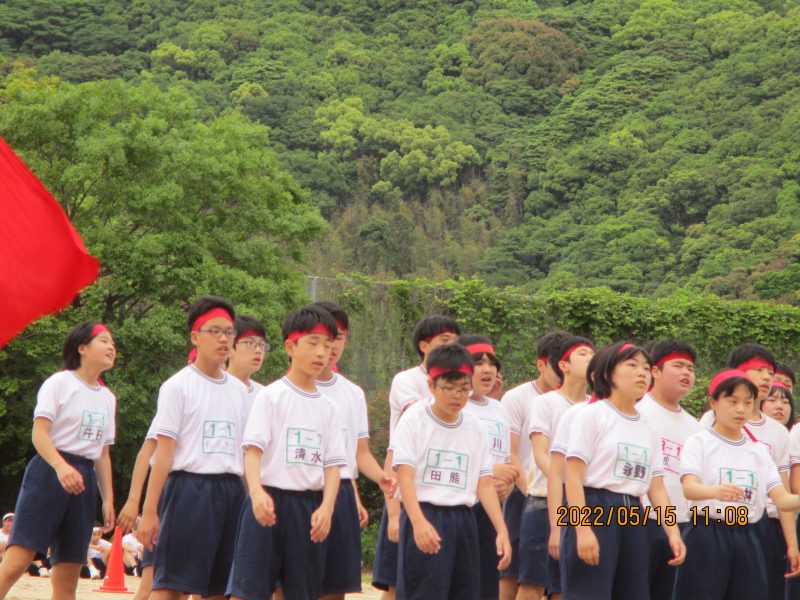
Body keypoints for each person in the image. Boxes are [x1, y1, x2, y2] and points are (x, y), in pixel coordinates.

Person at [225, 305, 347, 600]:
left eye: (327, 345)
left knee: (301, 592)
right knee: (247, 590)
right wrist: (256, 493)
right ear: (290, 347)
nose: (321, 353)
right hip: (268, 503)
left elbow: (333, 466)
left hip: (309, 508)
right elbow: (252, 452)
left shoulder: (330, 408)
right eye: (313, 343)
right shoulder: (271, 396)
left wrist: (327, 508)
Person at [138, 296, 250, 600]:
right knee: (171, 585)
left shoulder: (240, 391)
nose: (224, 339)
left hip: (231, 492)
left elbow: (244, 454)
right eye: (215, 331)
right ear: (195, 336)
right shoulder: (177, 386)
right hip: (188, 491)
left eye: (229, 332)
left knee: (221, 588)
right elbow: (163, 454)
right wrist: (149, 511)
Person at [0, 322, 116, 600]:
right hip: (49, 472)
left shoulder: (108, 398)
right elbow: (39, 434)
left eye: (113, 343)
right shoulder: (60, 383)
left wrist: (108, 499)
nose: (111, 347)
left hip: (84, 479)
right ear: (82, 347)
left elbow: (102, 454)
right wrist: (61, 467)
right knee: (17, 561)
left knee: (68, 575)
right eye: (104, 341)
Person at [560, 342, 685, 600]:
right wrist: (582, 530)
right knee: (590, 592)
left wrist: (673, 532)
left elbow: (657, 487)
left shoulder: (648, 426)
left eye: (646, 368)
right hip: (594, 507)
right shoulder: (592, 415)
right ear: (608, 373)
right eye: (632, 365)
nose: (642, 373)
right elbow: (572, 477)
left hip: (634, 513)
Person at [392, 343, 511, 600]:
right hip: (426, 513)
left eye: (464, 388)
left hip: (464, 519)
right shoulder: (414, 420)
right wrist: (418, 522)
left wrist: (501, 529)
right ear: (431, 385)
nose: (458, 396)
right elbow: (405, 475)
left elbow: (484, 483)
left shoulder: (475, 427)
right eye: (449, 387)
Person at [674, 369, 800, 599]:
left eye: (747, 402)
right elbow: (689, 488)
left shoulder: (759, 452)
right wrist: (716, 491)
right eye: (732, 402)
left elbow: (782, 499)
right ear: (714, 402)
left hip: (748, 535)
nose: (741, 409)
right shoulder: (700, 442)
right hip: (707, 532)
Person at [310, 301, 397, 600]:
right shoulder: (286, 392)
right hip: (304, 491)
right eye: (323, 338)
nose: (331, 346)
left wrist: (381, 479)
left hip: (342, 494)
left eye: (338, 337)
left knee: (336, 586)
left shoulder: (352, 393)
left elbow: (358, 454)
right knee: (295, 582)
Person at [372, 315, 461, 599]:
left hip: (447, 488)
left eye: (456, 342)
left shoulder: (465, 390)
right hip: (408, 485)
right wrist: (394, 514)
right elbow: (422, 421)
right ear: (424, 346)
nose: (452, 347)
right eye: (445, 340)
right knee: (399, 582)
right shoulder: (407, 380)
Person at [699, 343, 793, 600]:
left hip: (759, 521)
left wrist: (792, 543)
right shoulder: (711, 422)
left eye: (770, 372)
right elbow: (694, 482)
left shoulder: (775, 433)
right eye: (758, 370)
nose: (766, 377)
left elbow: (782, 493)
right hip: (713, 522)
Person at [518, 335, 594, 600]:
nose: (591, 358)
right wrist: (567, 481)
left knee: (565, 588)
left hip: (580, 503)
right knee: (532, 584)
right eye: (583, 353)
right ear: (564, 365)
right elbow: (540, 453)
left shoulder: (594, 407)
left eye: (593, 354)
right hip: (542, 501)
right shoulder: (546, 402)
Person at [498, 331, 565, 600]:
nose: (562, 372)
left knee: (560, 579)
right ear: (541, 364)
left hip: (565, 497)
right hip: (525, 493)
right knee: (516, 572)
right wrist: (529, 493)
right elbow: (511, 452)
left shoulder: (581, 404)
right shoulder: (517, 398)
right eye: (556, 365)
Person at [637, 339, 699, 600]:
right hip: (641, 520)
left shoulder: (695, 426)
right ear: (655, 371)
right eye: (678, 365)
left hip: (682, 523)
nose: (686, 373)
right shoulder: (637, 412)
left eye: (690, 368)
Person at [460, 334, 520, 600]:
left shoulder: (498, 409)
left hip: (491, 508)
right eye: (478, 363)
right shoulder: (457, 407)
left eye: (492, 363)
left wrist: (506, 484)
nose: (487, 370)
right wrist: (491, 473)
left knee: (487, 584)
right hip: (462, 507)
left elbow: (504, 458)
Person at [226, 315, 269, 413]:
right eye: (249, 343)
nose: (258, 350)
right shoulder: (215, 388)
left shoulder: (264, 394)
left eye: (261, 344)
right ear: (229, 347)